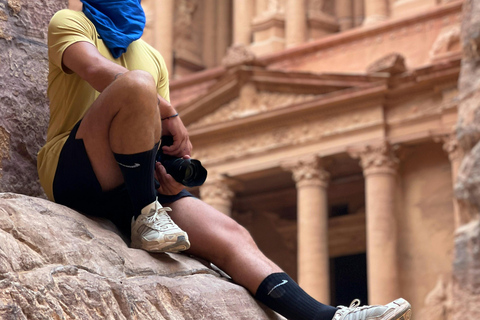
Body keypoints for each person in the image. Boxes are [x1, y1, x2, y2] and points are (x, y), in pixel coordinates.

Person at [36, 1, 412, 319]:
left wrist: (172, 172)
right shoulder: (70, 23)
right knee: (135, 85)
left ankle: (327, 316)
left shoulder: (150, 55)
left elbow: (151, 132)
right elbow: (96, 70)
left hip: (134, 184)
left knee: (233, 236)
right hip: (79, 169)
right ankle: (147, 216)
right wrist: (170, 113)